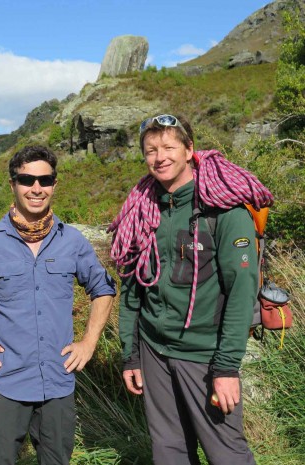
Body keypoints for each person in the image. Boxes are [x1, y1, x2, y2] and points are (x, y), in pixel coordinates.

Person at [0, 145, 116, 465]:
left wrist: (89, 343)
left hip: (58, 382)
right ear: (13, 184)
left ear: (54, 185)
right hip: (5, 382)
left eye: (45, 180)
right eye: (27, 179)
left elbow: (103, 288)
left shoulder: (72, 241)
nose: (36, 188)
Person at [110, 114, 272, 465]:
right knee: (169, 452)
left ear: (189, 150)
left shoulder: (224, 211)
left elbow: (242, 293)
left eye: (169, 146)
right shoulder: (143, 211)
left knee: (226, 453)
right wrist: (131, 354)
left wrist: (227, 368)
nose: (160, 157)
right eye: (151, 150)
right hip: (154, 351)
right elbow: (132, 289)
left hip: (205, 355)